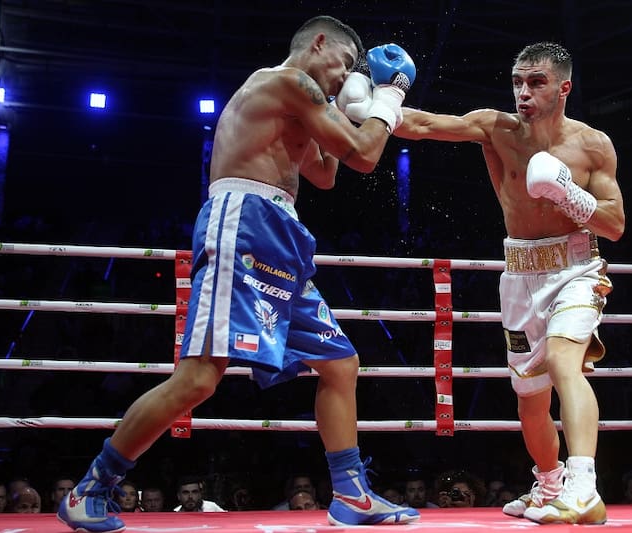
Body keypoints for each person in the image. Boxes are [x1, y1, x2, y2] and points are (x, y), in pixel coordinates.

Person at [57, 14, 420, 532]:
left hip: (282, 233)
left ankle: (351, 494)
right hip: (244, 225)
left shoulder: (304, 99)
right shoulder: (284, 81)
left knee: (340, 364)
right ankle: (93, 486)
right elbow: (364, 155)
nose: (343, 77)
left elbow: (327, 172)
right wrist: (388, 97)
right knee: (200, 378)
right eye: (341, 64)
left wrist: (345, 106)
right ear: (317, 43)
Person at [388, 41, 625, 524]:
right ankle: (549, 484)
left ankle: (584, 485)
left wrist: (568, 196)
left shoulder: (592, 144)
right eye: (517, 81)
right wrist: (372, 101)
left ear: (564, 87)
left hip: (576, 269)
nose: (522, 92)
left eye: (535, 82)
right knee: (530, 397)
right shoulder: (496, 128)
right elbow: (424, 124)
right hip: (520, 273)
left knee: (564, 362)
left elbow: (615, 224)